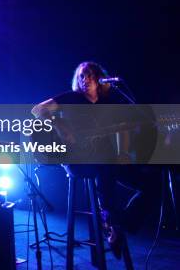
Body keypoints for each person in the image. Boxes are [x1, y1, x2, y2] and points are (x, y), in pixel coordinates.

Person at [32, 61, 158, 257]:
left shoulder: (110, 101)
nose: (85, 79)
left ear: (99, 78)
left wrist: (124, 151)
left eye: (89, 75)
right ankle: (111, 219)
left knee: (151, 183)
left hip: (107, 160)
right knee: (105, 162)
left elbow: (121, 130)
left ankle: (120, 224)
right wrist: (59, 125)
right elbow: (37, 110)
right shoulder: (71, 98)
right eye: (81, 76)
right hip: (75, 160)